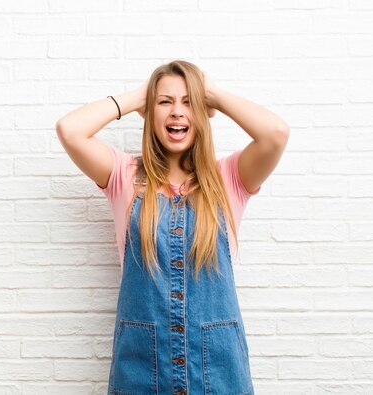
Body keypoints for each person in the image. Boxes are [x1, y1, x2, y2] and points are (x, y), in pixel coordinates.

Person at [55, 60, 289, 395]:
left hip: (218, 369)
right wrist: (142, 96)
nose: (177, 112)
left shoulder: (230, 178)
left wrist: (213, 95)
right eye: (166, 102)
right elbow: (70, 129)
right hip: (141, 368)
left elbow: (275, 133)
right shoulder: (124, 176)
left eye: (189, 102)